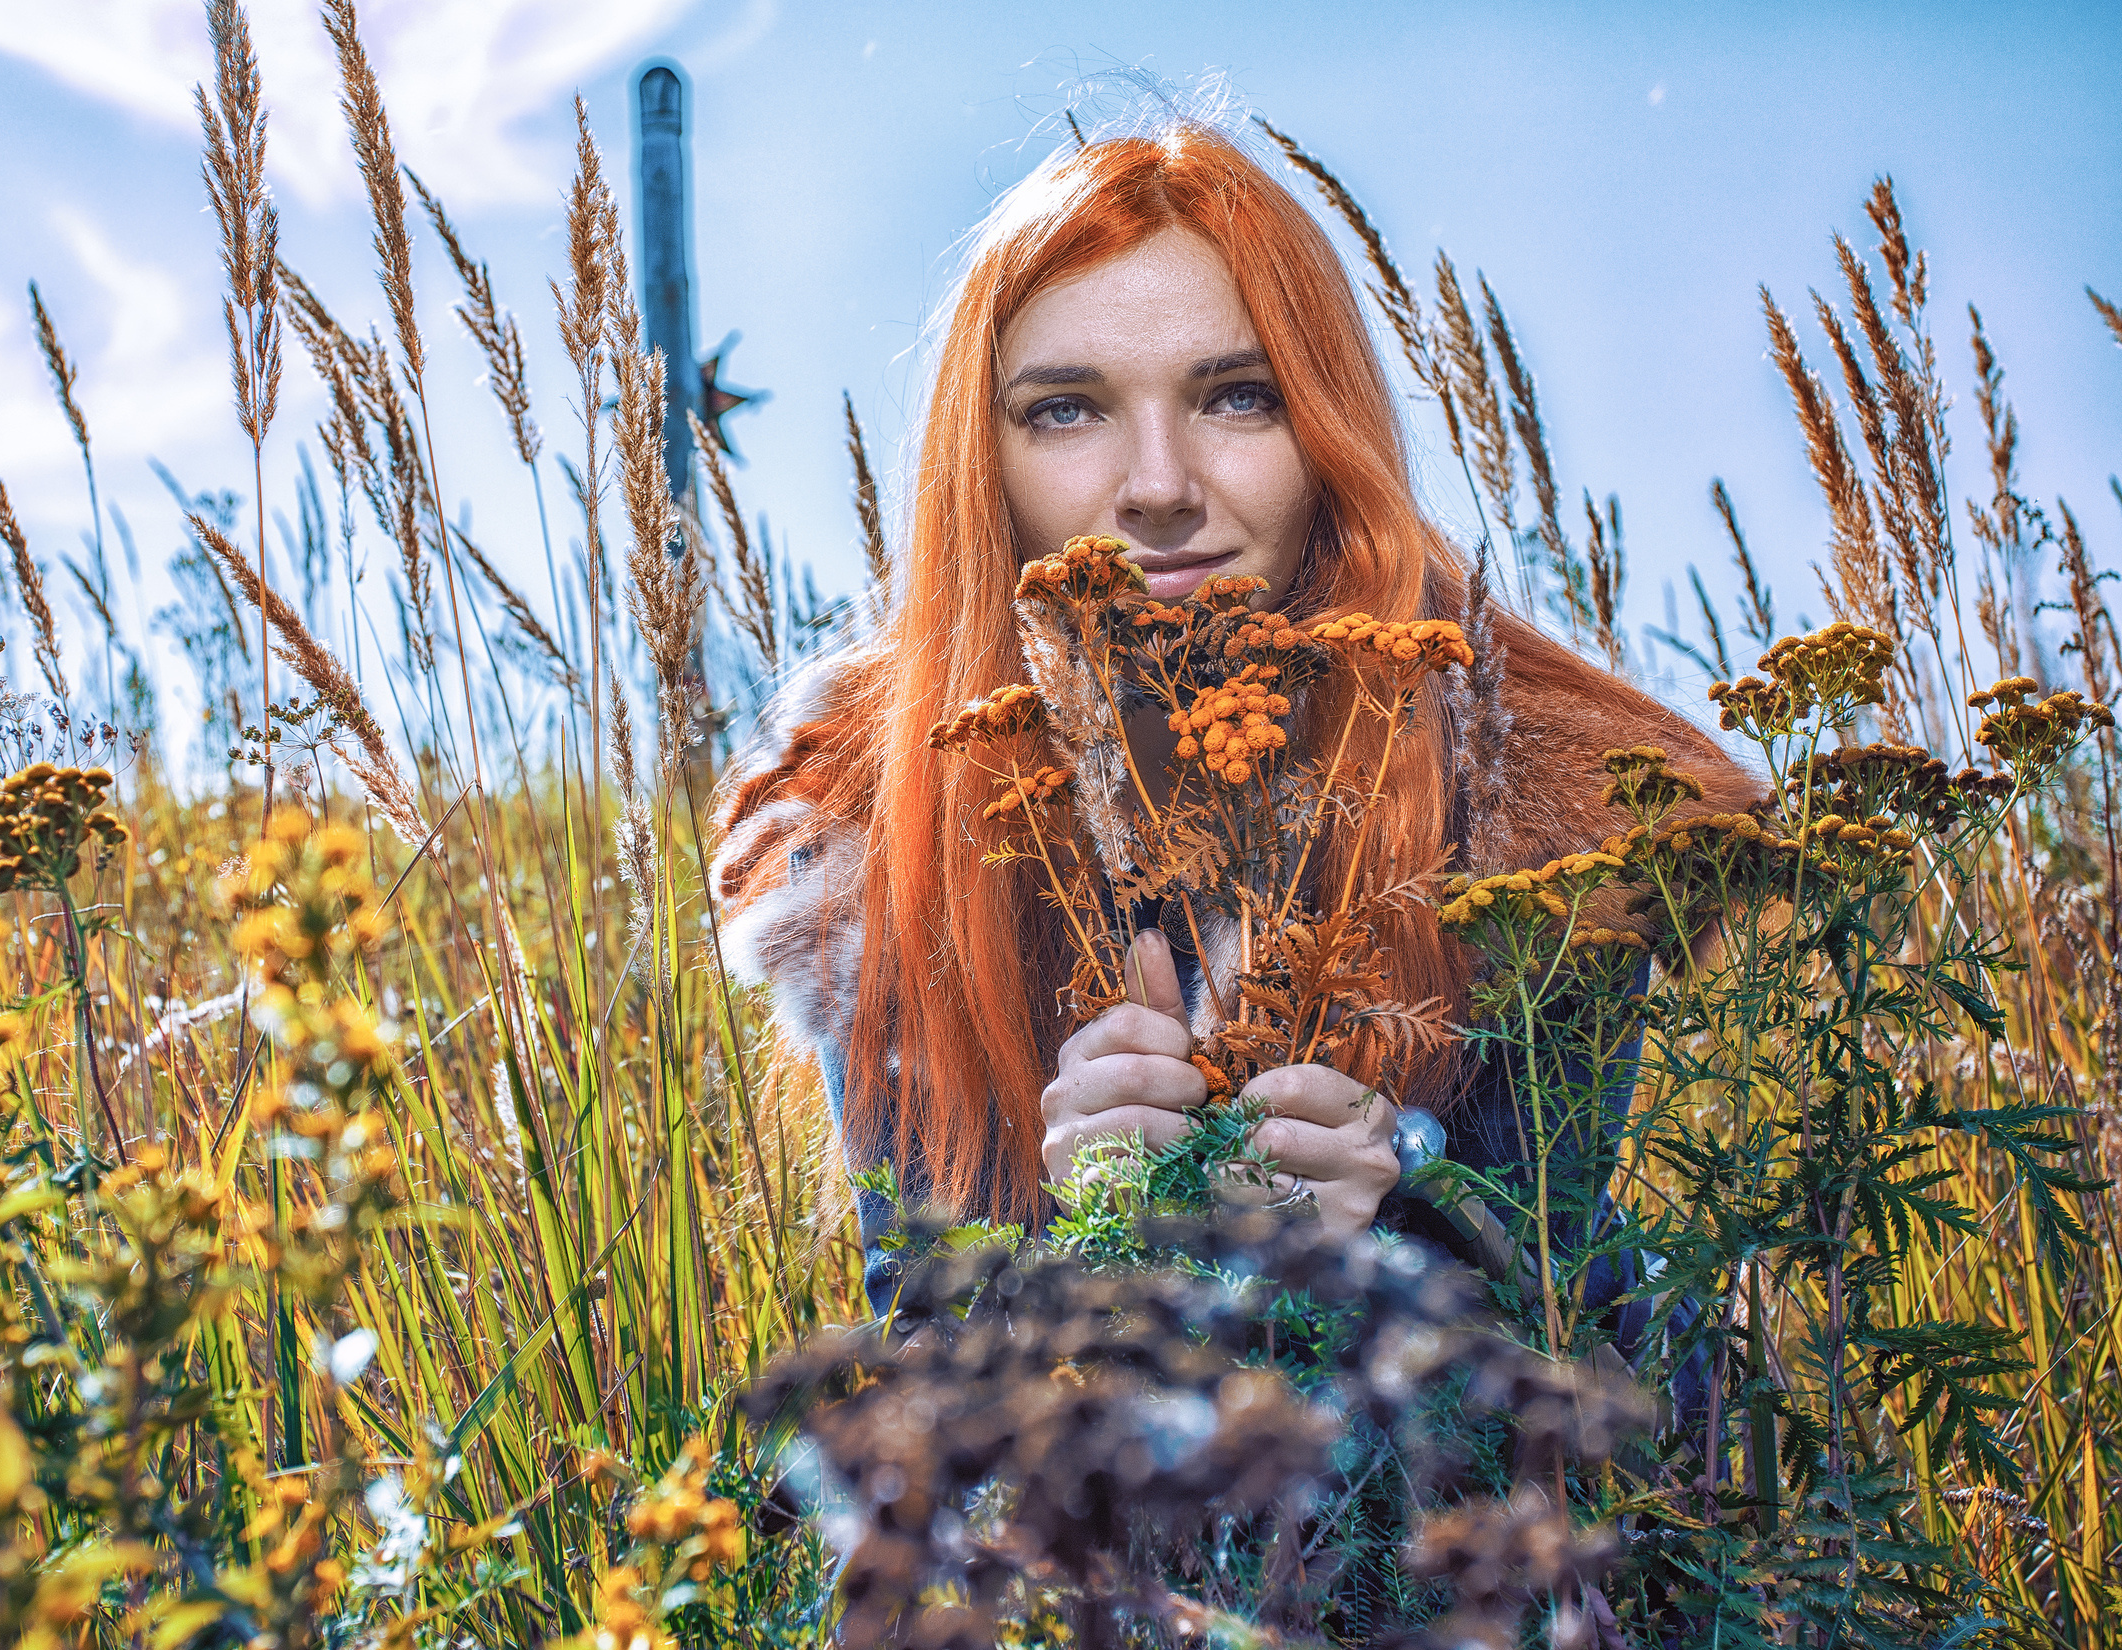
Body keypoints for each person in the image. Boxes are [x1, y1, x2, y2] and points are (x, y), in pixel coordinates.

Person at [707, 118, 1749, 1308]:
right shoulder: (862, 823)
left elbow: (1598, 1326)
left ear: (1326, 431)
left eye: (1238, 397)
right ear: (979, 464)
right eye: (1066, 409)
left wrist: (1411, 1213)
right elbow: (919, 1339)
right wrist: (1074, 1250)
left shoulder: (1540, 803)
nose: (1156, 486)